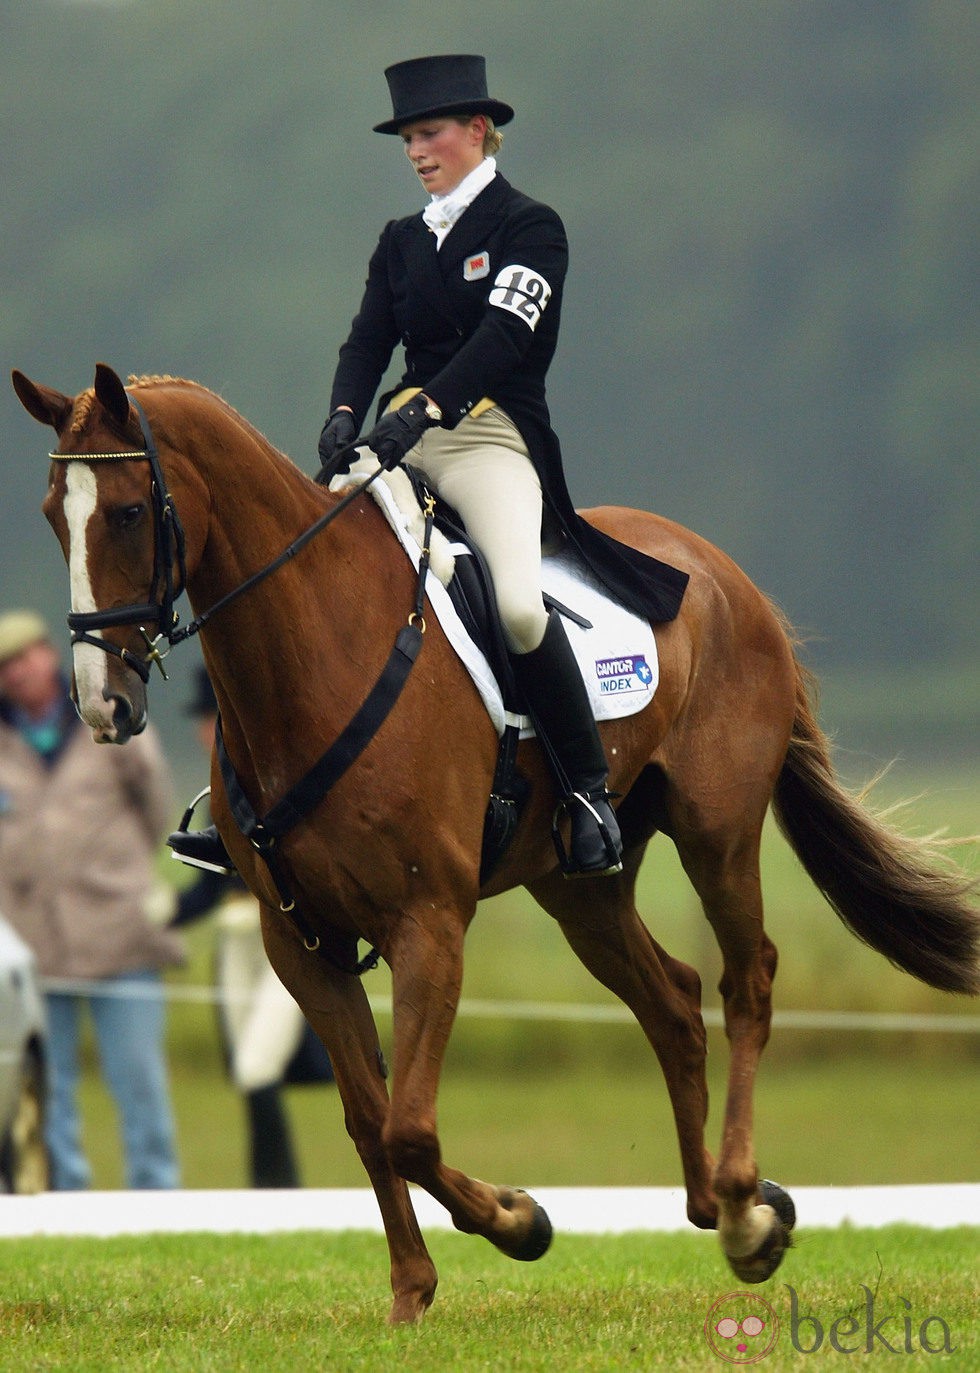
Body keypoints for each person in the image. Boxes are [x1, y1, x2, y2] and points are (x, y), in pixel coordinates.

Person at [316, 53, 690, 876]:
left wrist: (418, 409)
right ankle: (261, 805)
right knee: (307, 570)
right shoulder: (399, 241)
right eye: (407, 139)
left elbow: (503, 341)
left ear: (479, 131)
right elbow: (368, 341)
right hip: (397, 444)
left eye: (429, 134)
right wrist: (346, 413)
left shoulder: (532, 227)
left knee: (519, 605)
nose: (416, 152)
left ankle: (588, 790)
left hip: (490, 440)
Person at [0, 609, 182, 1190]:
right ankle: (63, 1200)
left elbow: (156, 805)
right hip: (32, 941)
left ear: (50, 656)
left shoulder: (106, 713)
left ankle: (158, 1196)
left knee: (139, 1081)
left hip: (117, 930)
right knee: (48, 1087)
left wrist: (118, 869)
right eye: (7, 666)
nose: (20, 672)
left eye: (27, 657)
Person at [169, 666, 334, 1188]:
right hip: (234, 941)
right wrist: (161, 916)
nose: (201, 731)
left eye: (208, 719)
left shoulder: (267, 767)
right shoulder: (217, 778)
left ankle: (277, 1191)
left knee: (258, 1064)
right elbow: (210, 889)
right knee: (247, 1067)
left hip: (280, 936)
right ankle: (271, 1188)